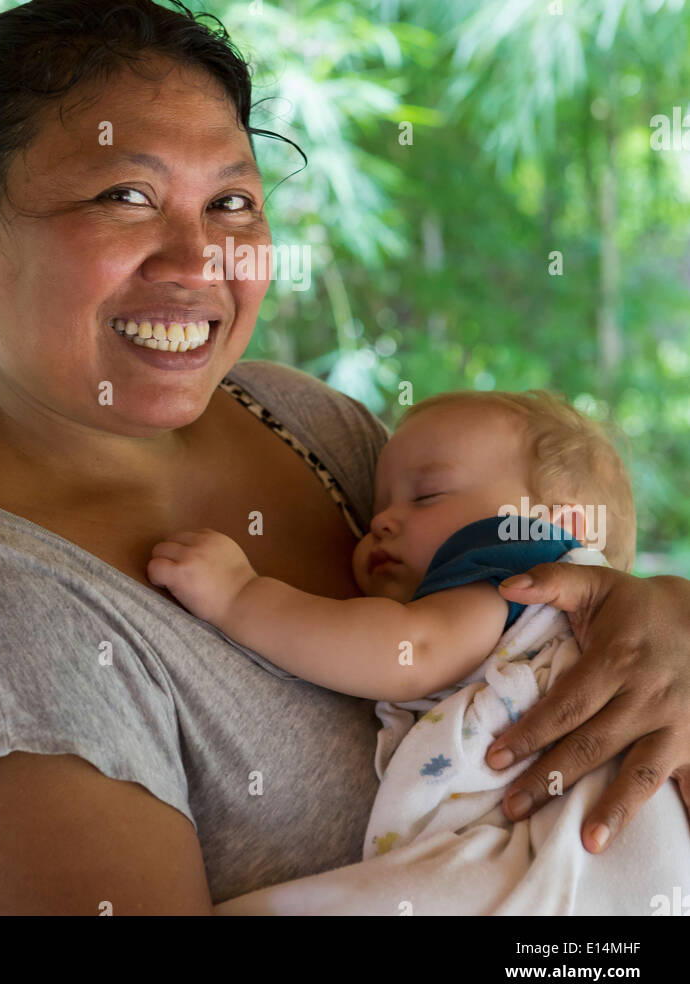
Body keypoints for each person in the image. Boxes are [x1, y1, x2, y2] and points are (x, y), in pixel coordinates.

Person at [0, 0, 689, 918]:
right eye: (127, 196)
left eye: (232, 202)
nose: (199, 261)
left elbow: (544, 617)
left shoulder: (295, 416)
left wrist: (654, 618)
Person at [149, 389, 690, 914]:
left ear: (558, 526)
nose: (381, 520)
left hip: (596, 851)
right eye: (378, 507)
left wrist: (242, 597)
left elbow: (412, 647)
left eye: (427, 496)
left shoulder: (518, 570)